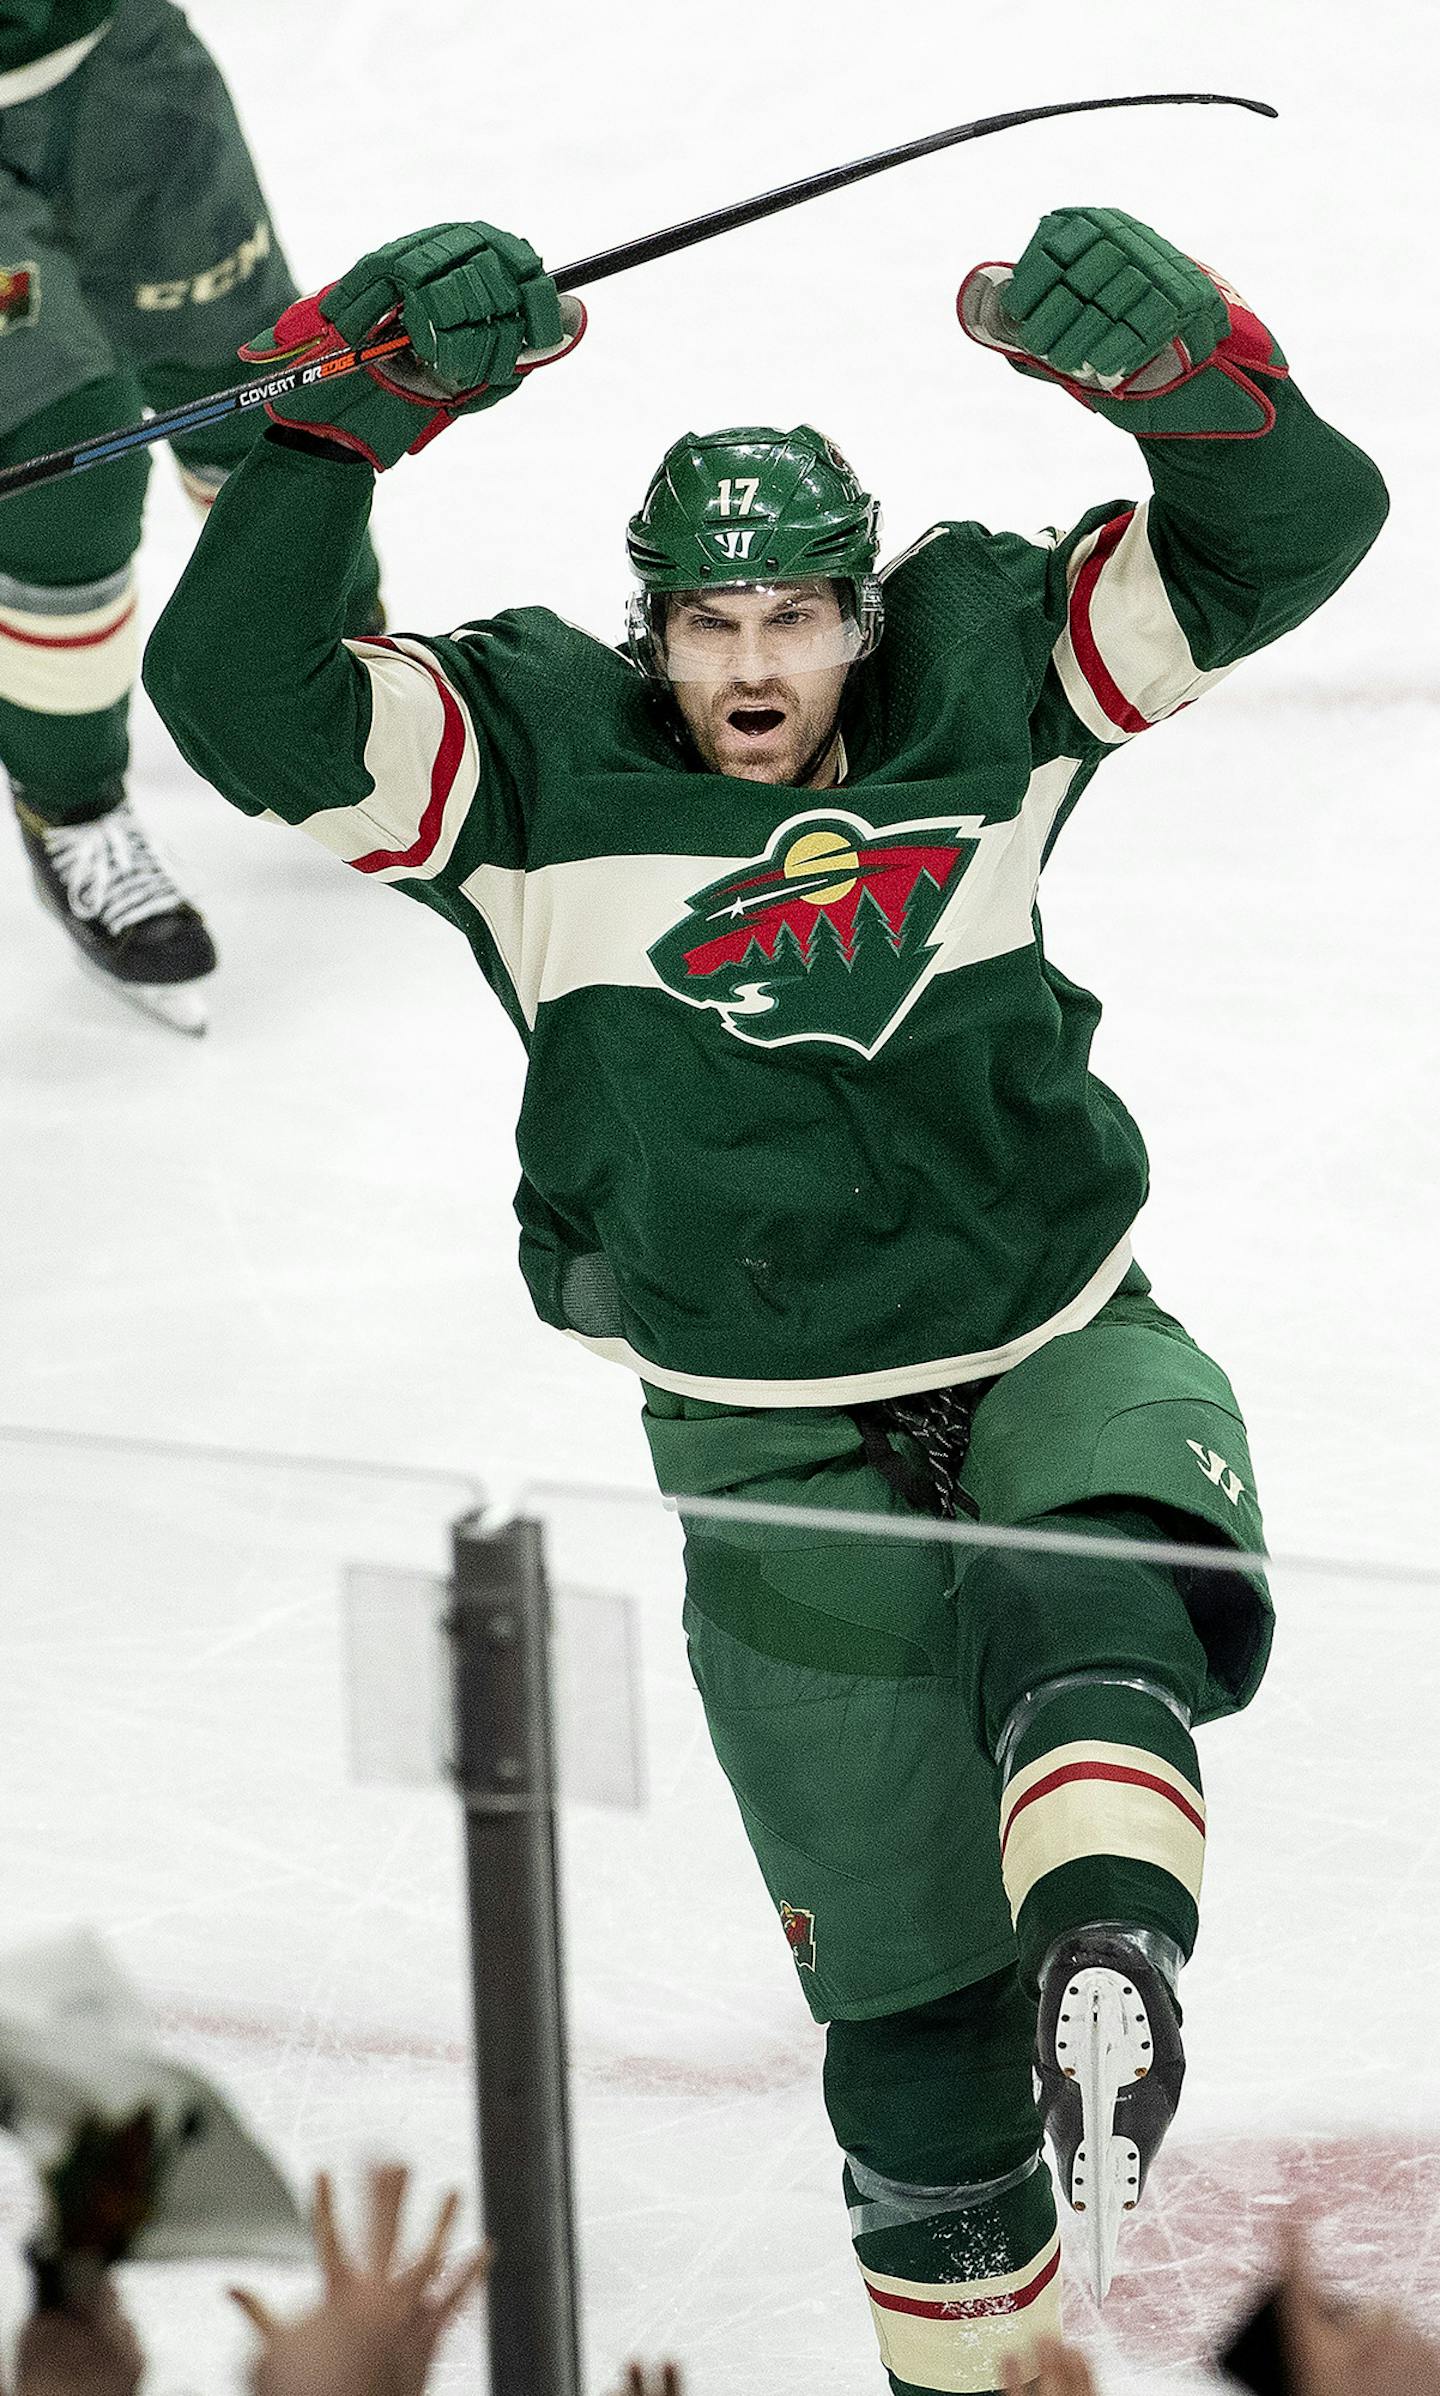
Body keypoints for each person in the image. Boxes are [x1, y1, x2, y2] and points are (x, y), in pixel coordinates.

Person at [142, 207, 1387, 2391]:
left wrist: (1185, 371)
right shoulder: (525, 763)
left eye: (798, 613)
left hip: (1049, 1320)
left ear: (861, 610)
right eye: (711, 616)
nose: (752, 660)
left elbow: (1304, 526)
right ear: (653, 625)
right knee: (909, 2061)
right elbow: (238, 697)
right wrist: (340, 427)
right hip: (760, 1432)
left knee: (1085, 1580)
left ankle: (1111, 1946)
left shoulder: (991, 665)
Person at [0, 0, 382, 1031]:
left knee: (258, 387)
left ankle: (354, 669)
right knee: (61, 455)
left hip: (107, 52)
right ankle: (69, 801)